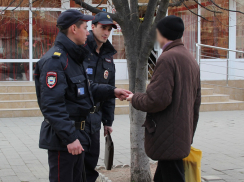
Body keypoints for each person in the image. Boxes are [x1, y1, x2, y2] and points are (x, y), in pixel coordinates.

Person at [34, 9, 131, 182]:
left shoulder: (73, 57)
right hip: (65, 139)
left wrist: (112, 91)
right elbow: (52, 105)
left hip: (79, 134)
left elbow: (85, 88)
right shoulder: (55, 61)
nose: (88, 32)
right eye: (85, 27)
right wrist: (70, 138)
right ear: (73, 29)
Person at [127, 15, 201, 182]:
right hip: (180, 134)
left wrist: (134, 98)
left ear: (162, 34)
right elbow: (197, 102)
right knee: (163, 176)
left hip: (169, 136)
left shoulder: (167, 58)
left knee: (172, 176)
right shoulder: (190, 59)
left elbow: (157, 100)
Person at [83, 12, 117, 182]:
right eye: (103, 27)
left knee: (90, 167)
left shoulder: (108, 56)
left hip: (95, 120)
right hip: (78, 118)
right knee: (75, 168)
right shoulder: (80, 48)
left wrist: (108, 121)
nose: (106, 32)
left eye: (109, 29)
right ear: (93, 26)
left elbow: (109, 93)